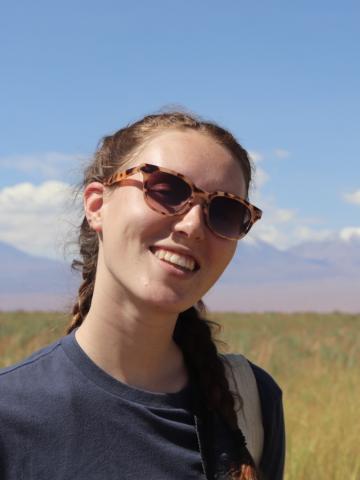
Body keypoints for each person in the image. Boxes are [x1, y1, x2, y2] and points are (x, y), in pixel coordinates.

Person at [0, 111, 285, 479]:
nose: (193, 226)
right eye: (167, 189)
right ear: (97, 205)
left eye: (226, 212)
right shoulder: (11, 414)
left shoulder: (251, 401)